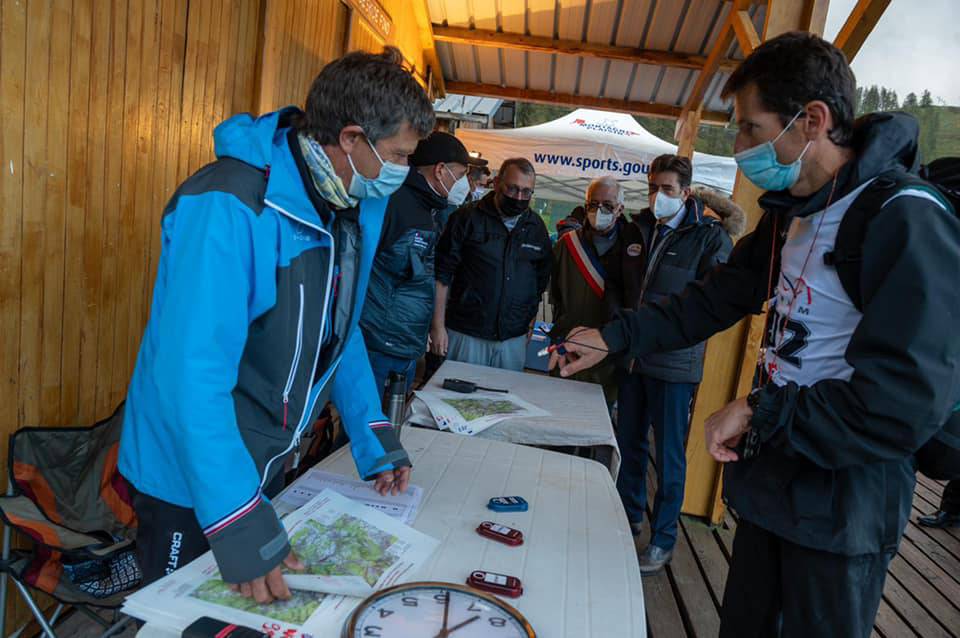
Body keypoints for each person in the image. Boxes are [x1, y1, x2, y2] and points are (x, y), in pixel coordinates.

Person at [551, 32, 960, 637]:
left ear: (812, 120)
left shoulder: (904, 215)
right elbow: (715, 297)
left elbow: (905, 398)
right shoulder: (793, 211)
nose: (739, 146)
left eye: (749, 127)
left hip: (843, 507)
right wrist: (615, 338)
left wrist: (760, 411)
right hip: (772, 486)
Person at [119, 47, 434, 603]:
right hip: (189, 479)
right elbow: (190, 377)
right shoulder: (228, 205)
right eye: (399, 156)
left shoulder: (348, 203)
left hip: (260, 460)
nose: (403, 171)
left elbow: (338, 331)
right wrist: (236, 516)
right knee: (185, 619)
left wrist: (373, 433)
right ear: (352, 139)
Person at [614, 155, 742, 574]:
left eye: (667, 189)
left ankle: (663, 538)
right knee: (629, 445)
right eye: (653, 187)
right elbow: (621, 287)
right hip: (633, 360)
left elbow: (713, 305)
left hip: (674, 366)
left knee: (668, 456)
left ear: (687, 193)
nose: (658, 196)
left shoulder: (708, 238)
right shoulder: (637, 228)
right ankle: (629, 518)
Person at [361, 132, 471, 399]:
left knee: (389, 423)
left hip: (404, 342)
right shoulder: (396, 202)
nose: (463, 183)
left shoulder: (428, 208)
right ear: (440, 170)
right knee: (368, 427)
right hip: (381, 343)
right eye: (461, 174)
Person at [431, 158, 552, 371]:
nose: (519, 197)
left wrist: (529, 324)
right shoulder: (466, 218)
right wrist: (438, 327)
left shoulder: (536, 228)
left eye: (526, 192)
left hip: (512, 339)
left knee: (503, 402)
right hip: (466, 333)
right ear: (496, 183)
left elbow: (539, 282)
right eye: (513, 189)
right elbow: (442, 275)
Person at [549, 176, 629, 402]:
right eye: (594, 204)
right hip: (567, 346)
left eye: (608, 205)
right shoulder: (568, 244)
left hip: (609, 353)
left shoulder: (633, 250)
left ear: (620, 209)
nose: (600, 210)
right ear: (586, 206)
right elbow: (554, 295)